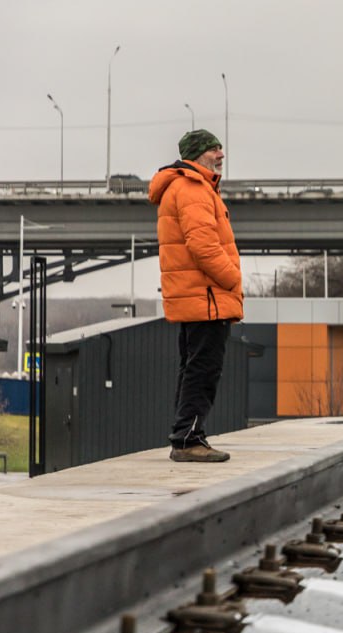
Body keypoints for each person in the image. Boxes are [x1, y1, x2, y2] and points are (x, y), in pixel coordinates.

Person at [148, 129, 242, 462]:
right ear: (197, 154)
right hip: (206, 297)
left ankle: (187, 435)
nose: (221, 154)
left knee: (194, 368)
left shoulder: (187, 187)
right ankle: (188, 439)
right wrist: (233, 279)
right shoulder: (193, 188)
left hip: (197, 296)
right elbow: (203, 245)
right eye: (214, 149)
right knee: (203, 369)